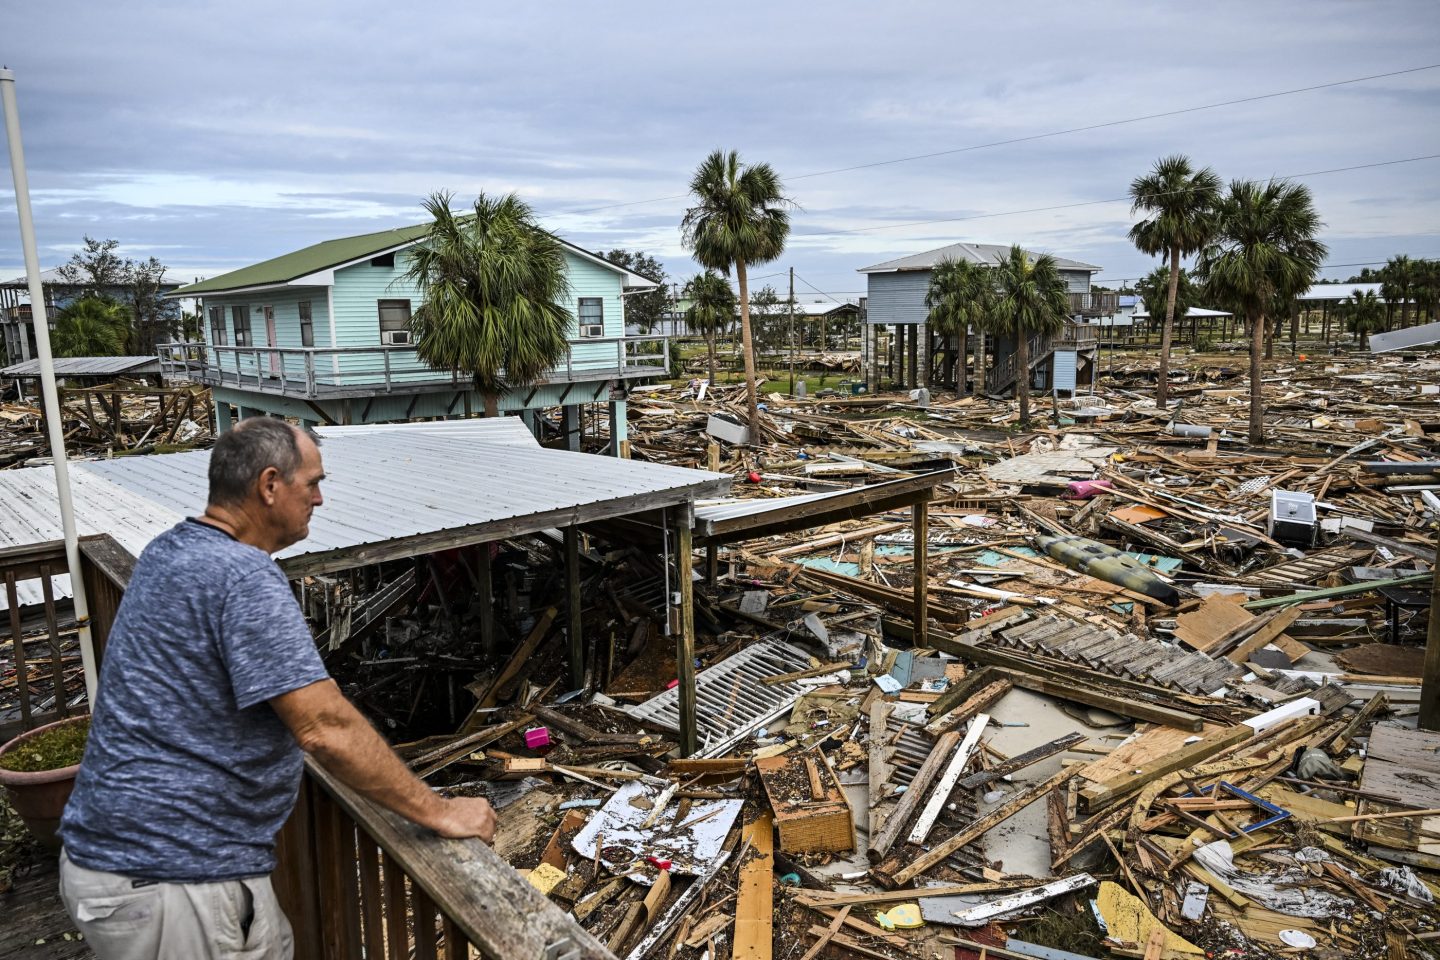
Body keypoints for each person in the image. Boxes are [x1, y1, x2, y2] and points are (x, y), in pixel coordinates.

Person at [58, 418, 495, 959]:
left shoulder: (170, 551)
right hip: (174, 875)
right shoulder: (242, 575)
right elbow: (323, 726)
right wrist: (439, 811)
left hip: (123, 862)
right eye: (311, 483)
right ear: (269, 485)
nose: (320, 498)